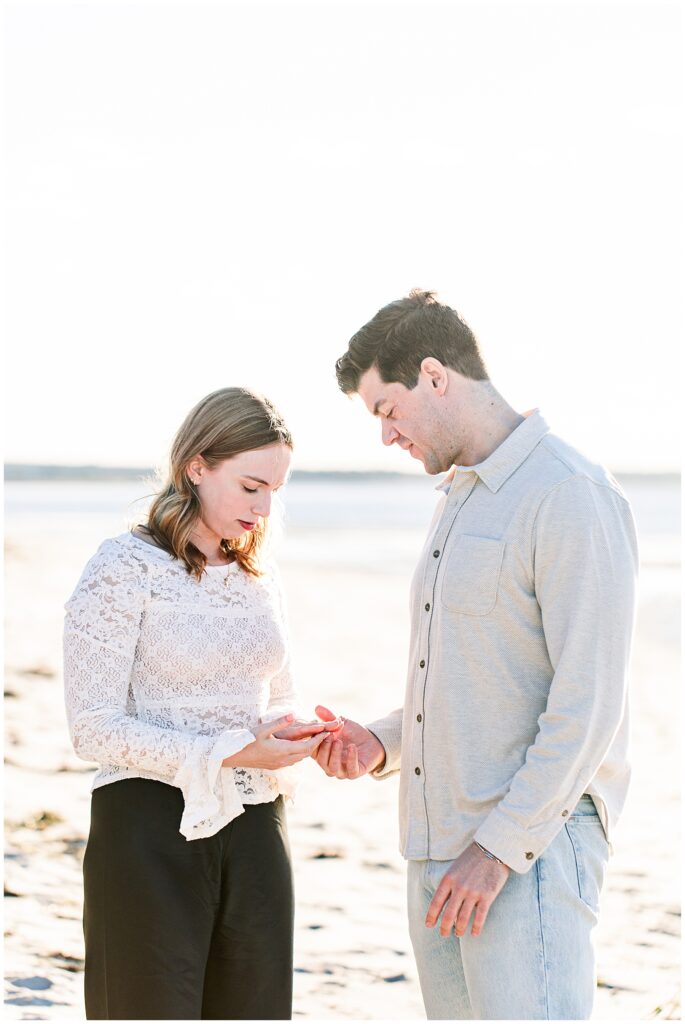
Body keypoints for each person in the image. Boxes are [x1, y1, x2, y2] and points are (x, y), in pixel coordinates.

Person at [313, 290, 638, 1020]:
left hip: (526, 853)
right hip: (438, 850)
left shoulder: (569, 493)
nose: (386, 438)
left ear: (433, 375)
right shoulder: (457, 496)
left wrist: (494, 854)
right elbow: (470, 680)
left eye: (385, 411)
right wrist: (379, 742)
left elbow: (589, 705)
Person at [63, 387, 339, 1020]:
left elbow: (277, 697)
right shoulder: (122, 566)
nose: (265, 508)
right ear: (196, 466)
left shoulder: (259, 579)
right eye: (250, 487)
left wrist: (306, 732)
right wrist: (233, 750)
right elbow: (93, 729)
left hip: (258, 825)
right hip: (146, 826)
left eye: (276, 490)